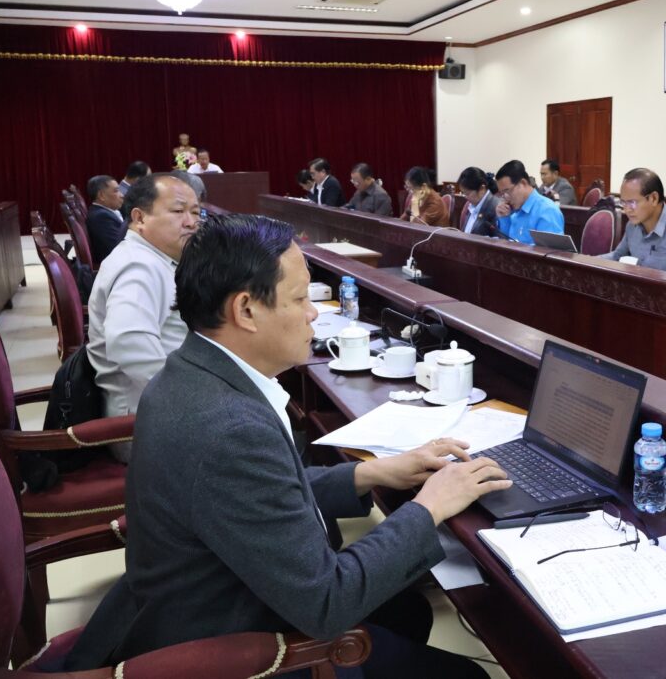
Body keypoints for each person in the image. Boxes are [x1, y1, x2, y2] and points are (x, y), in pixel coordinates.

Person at [65, 214, 509, 678]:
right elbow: (327, 603)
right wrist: (430, 506)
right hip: (231, 639)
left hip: (211, 590)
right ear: (246, 310)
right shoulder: (230, 428)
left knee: (408, 611)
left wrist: (371, 473)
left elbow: (258, 495)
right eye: (299, 298)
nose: (313, 313)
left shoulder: (192, 372)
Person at [87, 174, 201, 462]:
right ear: (139, 218)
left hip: (159, 407)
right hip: (144, 423)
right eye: (178, 211)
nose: (191, 222)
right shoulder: (139, 266)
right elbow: (128, 342)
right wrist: (197, 399)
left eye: (196, 212)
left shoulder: (153, 258)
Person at [493, 160, 564, 244]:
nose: (505, 197)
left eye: (507, 191)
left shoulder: (547, 211)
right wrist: (504, 218)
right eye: (502, 194)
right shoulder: (514, 213)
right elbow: (506, 244)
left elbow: (548, 250)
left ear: (523, 183)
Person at [85, 174, 125, 264]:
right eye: (116, 191)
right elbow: (119, 248)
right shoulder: (101, 217)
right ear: (101, 196)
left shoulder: (102, 212)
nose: (122, 195)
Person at [457, 167, 500, 236]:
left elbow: (499, 238)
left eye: (467, 193)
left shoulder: (496, 207)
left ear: (482, 189)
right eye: (463, 193)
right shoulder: (471, 205)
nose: (465, 197)